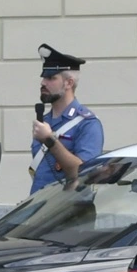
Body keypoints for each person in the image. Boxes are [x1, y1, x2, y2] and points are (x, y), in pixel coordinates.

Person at [30, 44, 104, 194]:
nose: (43, 82)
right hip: (41, 209)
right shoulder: (45, 121)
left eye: (51, 78)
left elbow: (83, 173)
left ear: (68, 83)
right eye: (44, 77)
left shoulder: (88, 124)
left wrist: (50, 140)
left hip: (70, 213)